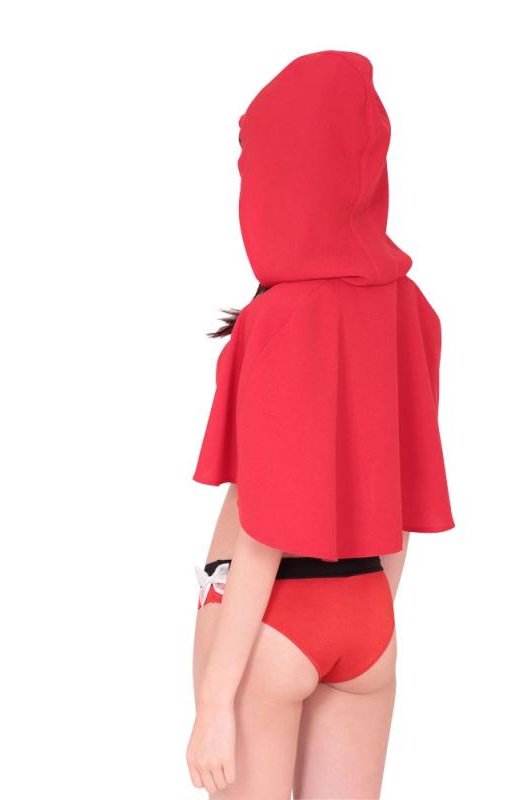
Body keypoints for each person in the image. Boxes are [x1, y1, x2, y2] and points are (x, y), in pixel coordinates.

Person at [186, 50, 454, 798]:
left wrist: (214, 704)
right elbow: (403, 499)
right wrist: (362, 614)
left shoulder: (280, 318)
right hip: (368, 614)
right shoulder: (412, 309)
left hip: (264, 615)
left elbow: (263, 528)